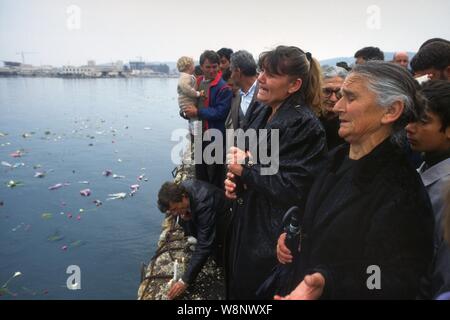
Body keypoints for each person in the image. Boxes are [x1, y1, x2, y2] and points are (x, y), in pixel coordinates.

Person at [274, 61, 434, 300]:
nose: (337, 106)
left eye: (350, 98)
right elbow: (317, 213)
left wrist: (327, 281)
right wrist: (294, 233)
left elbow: (393, 279)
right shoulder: (336, 158)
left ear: (391, 111)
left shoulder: (401, 192)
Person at [224, 45, 327, 299]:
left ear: (294, 85)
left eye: (270, 74)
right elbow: (250, 160)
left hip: (270, 236)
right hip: (247, 222)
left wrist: (246, 169)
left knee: (255, 291)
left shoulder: (304, 124)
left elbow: (295, 187)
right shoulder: (262, 110)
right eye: (262, 71)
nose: (260, 78)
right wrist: (236, 182)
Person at [406, 80, 450, 299]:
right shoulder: (423, 168)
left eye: (423, 121)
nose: (409, 127)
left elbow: (445, 274)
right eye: (410, 118)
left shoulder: (446, 190)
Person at [157, 179, 230, 299]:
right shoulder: (183, 191)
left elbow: (204, 245)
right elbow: (175, 209)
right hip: (208, 215)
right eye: (172, 210)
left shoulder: (204, 202)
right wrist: (185, 214)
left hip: (226, 220)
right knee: (184, 220)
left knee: (218, 258)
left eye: (175, 208)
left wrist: (185, 280)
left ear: (183, 197)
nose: (174, 213)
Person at [183, 50, 233, 189]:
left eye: (215, 66)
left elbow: (220, 112)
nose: (212, 70)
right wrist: (185, 112)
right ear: (201, 67)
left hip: (215, 135)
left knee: (215, 171)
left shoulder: (223, 87)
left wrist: (197, 111)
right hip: (198, 132)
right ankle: (202, 196)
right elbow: (187, 102)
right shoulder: (196, 83)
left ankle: (216, 200)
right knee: (200, 169)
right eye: (208, 67)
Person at [225, 50, 261, 131]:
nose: (231, 76)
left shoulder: (265, 92)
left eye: (231, 71)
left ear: (238, 71)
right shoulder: (236, 96)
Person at [319, 66, 348, 150]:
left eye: (340, 92)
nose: (333, 98)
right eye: (326, 91)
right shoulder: (304, 121)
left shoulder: (353, 123)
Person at [176, 56, 203, 136]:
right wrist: (197, 93)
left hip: (187, 104)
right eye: (193, 65)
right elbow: (186, 88)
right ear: (188, 66)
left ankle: (195, 135)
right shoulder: (185, 77)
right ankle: (197, 135)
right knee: (195, 121)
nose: (194, 67)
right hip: (188, 104)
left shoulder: (185, 77)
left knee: (193, 121)